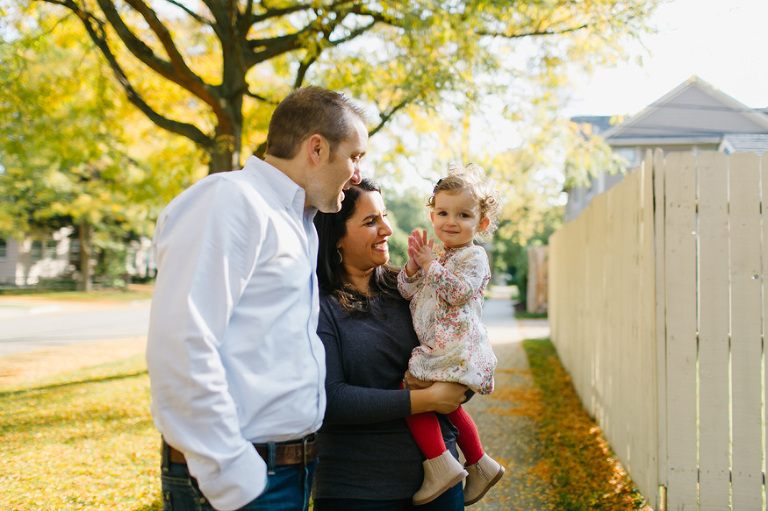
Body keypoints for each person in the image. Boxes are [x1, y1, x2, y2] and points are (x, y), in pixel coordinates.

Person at [145, 86, 368, 511]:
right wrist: (235, 477)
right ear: (316, 148)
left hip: (288, 474)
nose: (357, 174)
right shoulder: (230, 200)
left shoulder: (298, 221)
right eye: (355, 157)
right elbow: (180, 343)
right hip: (244, 480)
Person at [312, 179, 469, 511]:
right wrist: (426, 399)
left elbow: (462, 350)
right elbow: (332, 399)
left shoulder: (410, 289)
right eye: (370, 222)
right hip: (359, 489)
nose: (386, 229)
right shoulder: (318, 306)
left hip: (443, 483)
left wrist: (461, 387)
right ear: (336, 235)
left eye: (383, 216)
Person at [397, 163, 505, 506]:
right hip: (438, 344)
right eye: (443, 212)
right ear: (432, 216)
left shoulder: (474, 257)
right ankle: (479, 462)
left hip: (455, 346)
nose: (451, 221)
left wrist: (430, 265)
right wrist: (413, 268)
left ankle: (441, 464)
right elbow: (406, 292)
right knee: (442, 405)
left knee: (410, 393)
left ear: (481, 224)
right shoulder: (438, 255)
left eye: (463, 215)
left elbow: (457, 292)